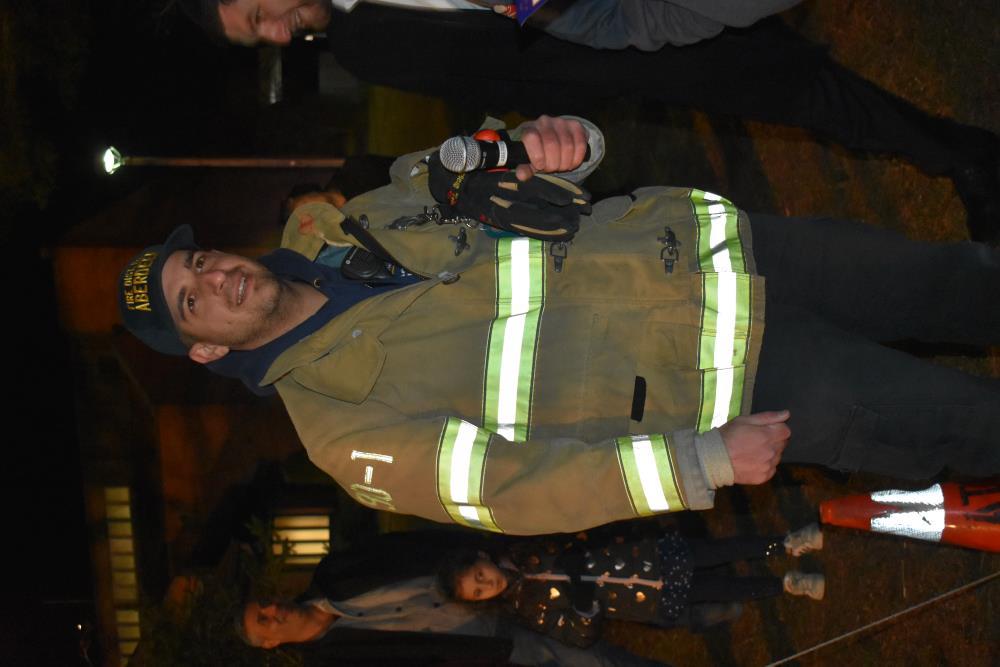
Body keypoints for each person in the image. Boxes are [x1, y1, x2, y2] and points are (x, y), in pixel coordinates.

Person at [118, 114, 1000, 536]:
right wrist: (698, 461)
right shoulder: (344, 436)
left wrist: (567, 144)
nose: (217, 280)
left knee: (959, 280)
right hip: (739, 382)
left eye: (196, 263)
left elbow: (533, 171)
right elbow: (519, 489)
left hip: (723, 249)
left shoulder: (356, 217)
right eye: (193, 301)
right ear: (204, 347)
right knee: (964, 416)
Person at [175, 0, 999, 244]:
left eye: (260, 9)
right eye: (261, 34)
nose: (282, 29)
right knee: (799, 92)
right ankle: (965, 158)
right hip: (619, 43)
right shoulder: (367, 44)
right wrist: (539, 128)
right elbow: (501, 71)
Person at [237, 531, 667, 666]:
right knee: (593, 662)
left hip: (495, 586)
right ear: (273, 644)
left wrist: (477, 546)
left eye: (264, 605)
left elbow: (407, 545)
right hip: (485, 644)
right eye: (264, 621)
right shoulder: (334, 661)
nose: (273, 610)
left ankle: (698, 607)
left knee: (595, 590)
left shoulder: (334, 573)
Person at [436, 524, 825, 648]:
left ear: (482, 559)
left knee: (716, 552)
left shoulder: (525, 546)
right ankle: (787, 584)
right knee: (719, 588)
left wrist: (575, 547)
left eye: (479, 576)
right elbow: (576, 636)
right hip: (646, 600)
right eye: (479, 592)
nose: (488, 584)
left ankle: (787, 543)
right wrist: (584, 607)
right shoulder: (525, 609)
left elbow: (576, 526)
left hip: (646, 557)